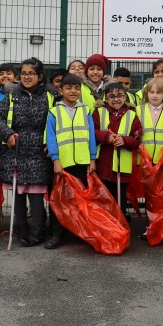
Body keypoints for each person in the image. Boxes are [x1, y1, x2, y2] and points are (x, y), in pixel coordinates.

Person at [0, 57, 55, 247]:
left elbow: (56, 122)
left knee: (36, 195)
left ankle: (37, 231)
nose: (27, 77)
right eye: (24, 73)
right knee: (18, 195)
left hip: (39, 153)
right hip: (16, 152)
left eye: (31, 73)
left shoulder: (49, 96)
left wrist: (51, 144)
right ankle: (21, 230)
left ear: (40, 76)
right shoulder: (13, 95)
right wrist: (8, 134)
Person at [44, 73, 97, 249]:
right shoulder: (54, 111)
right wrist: (55, 160)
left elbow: (91, 137)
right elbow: (51, 138)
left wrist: (92, 158)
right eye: (69, 88)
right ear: (61, 90)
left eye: (76, 88)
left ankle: (81, 233)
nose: (73, 91)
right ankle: (56, 234)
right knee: (59, 200)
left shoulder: (85, 110)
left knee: (80, 200)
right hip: (63, 164)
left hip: (82, 163)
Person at [93, 82, 142, 212]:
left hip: (121, 167)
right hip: (102, 165)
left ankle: (120, 228)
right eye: (112, 96)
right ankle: (105, 229)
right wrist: (106, 137)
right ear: (106, 98)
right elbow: (92, 131)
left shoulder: (132, 115)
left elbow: (137, 137)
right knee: (103, 201)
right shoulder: (99, 112)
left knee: (120, 202)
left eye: (119, 96)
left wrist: (124, 140)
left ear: (125, 97)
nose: (116, 99)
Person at [137, 77, 163, 164]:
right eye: (151, 92)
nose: (154, 96)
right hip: (142, 159)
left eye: (159, 92)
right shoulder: (138, 110)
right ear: (146, 93)